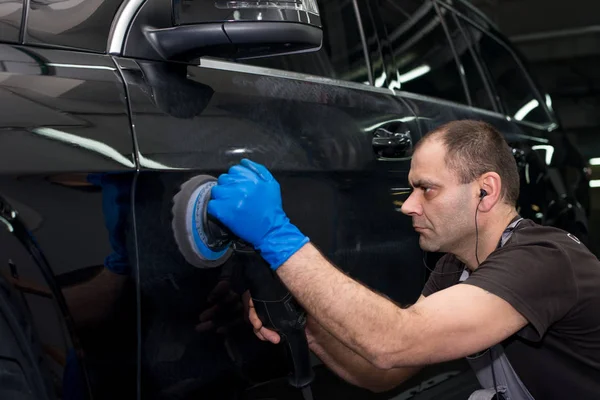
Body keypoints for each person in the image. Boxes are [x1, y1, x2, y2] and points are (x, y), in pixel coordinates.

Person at [207, 120, 600, 399]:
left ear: (486, 190)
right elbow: (384, 372)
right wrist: (303, 319)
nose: (408, 206)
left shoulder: (543, 259)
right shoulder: (456, 267)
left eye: (426, 189)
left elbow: (394, 340)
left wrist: (278, 235)